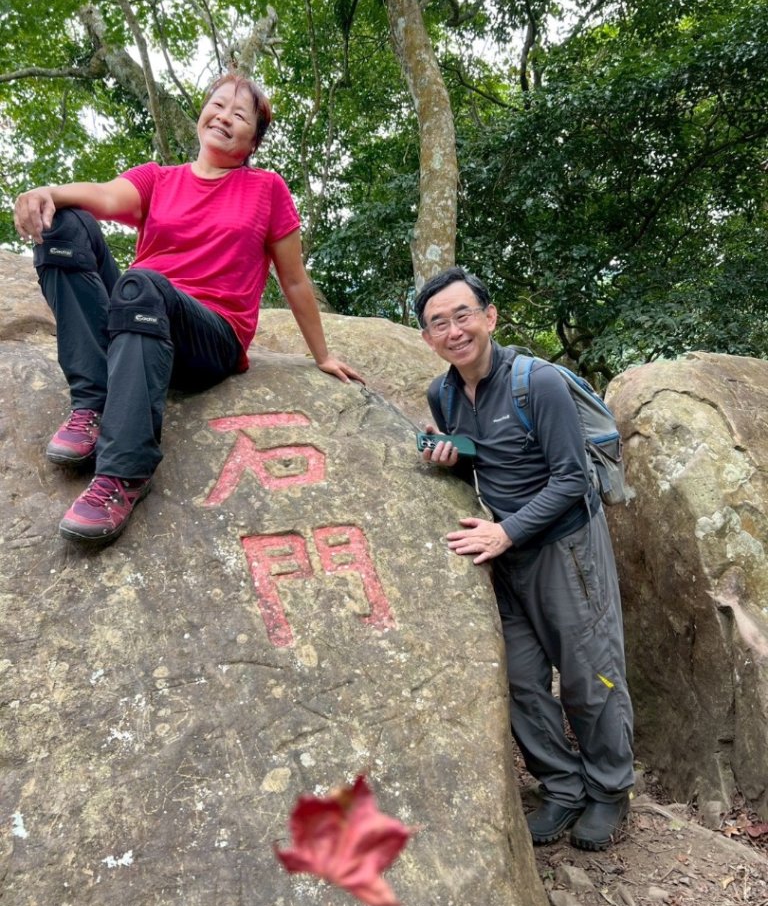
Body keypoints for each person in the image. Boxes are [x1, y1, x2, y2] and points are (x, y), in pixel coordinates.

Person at [13, 73, 362, 546]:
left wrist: (322, 355)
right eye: (217, 105)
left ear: (252, 140)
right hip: (139, 319)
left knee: (141, 285)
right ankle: (93, 405)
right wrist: (46, 193)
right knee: (65, 224)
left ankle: (122, 475)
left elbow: (294, 278)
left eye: (239, 115)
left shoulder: (266, 189)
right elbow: (105, 195)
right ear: (201, 113)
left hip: (208, 336)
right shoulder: (159, 179)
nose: (224, 117)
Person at [416, 266, 634, 851]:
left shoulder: (537, 383)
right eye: (439, 323)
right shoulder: (442, 392)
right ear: (427, 338)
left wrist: (505, 533)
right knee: (523, 681)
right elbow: (482, 460)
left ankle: (611, 789)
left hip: (565, 546)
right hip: (505, 552)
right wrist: (451, 460)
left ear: (489, 317)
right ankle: (562, 788)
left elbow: (571, 479)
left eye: (463, 315)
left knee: (591, 676)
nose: (454, 329)